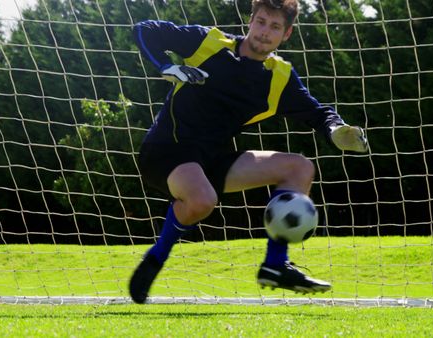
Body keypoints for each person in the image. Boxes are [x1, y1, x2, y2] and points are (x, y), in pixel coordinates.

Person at [129, 0, 368, 304]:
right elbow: (144, 30)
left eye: (275, 26)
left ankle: (275, 265)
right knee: (202, 200)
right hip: (165, 150)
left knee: (299, 168)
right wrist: (166, 67)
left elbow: (318, 112)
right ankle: (155, 258)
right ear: (250, 21)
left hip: (212, 159)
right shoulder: (210, 42)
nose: (265, 31)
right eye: (262, 21)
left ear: (286, 34)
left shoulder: (279, 77)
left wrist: (335, 129)